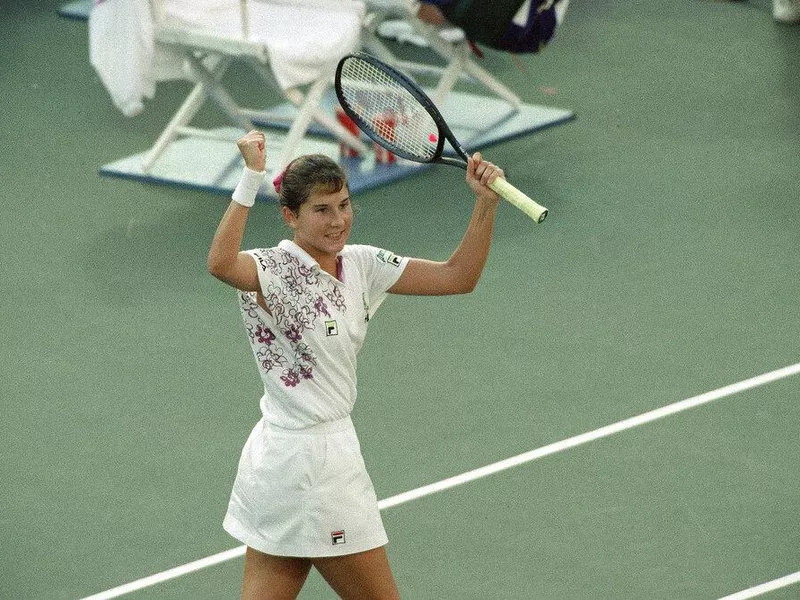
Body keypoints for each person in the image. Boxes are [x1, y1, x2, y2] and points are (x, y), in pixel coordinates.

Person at [207, 130, 504, 599]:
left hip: (284, 466)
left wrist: (485, 205)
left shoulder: (363, 264)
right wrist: (251, 177)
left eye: (343, 205)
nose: (338, 220)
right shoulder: (272, 269)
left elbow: (457, 276)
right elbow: (221, 264)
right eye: (321, 210)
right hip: (313, 468)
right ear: (290, 216)